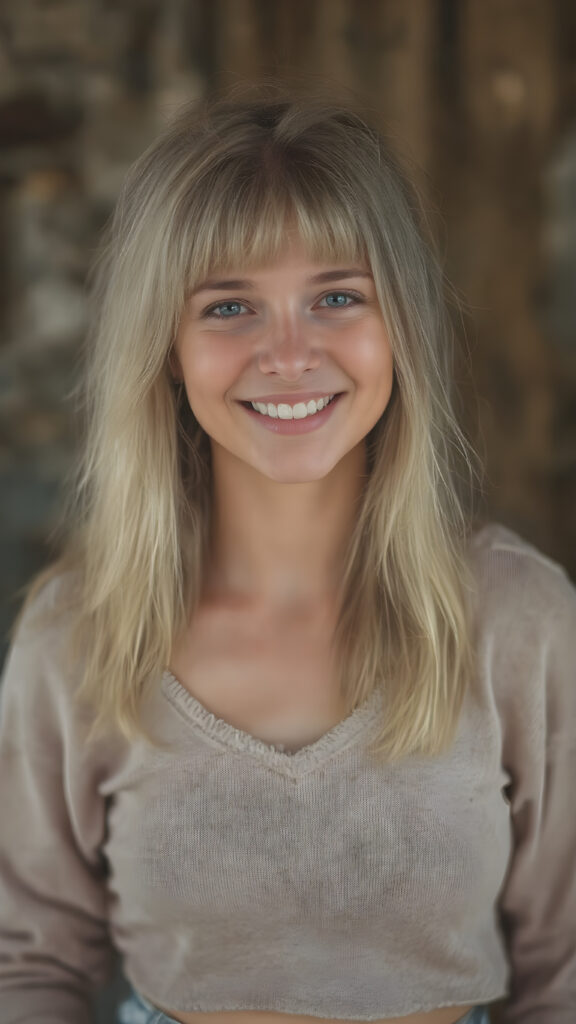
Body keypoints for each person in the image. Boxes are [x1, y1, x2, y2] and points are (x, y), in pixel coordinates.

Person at [0, 90, 574, 1024]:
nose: (289, 354)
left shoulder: (520, 617)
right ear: (168, 350)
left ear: (403, 330)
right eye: (229, 306)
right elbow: (26, 968)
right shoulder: (81, 635)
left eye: (338, 297)